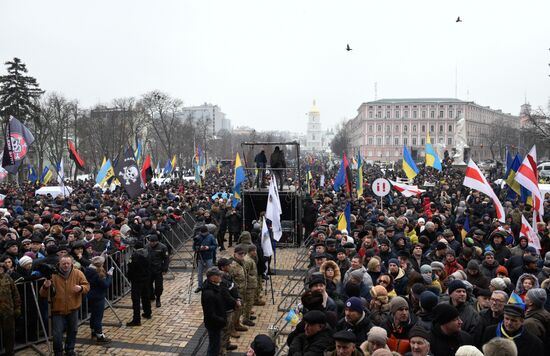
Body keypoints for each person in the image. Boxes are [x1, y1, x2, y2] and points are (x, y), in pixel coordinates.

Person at [39, 255, 90, 356]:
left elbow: (87, 286)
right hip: (57, 309)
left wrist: (80, 288)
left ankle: (70, 349)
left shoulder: (77, 273)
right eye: (64, 264)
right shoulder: (52, 274)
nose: (66, 265)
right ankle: (58, 352)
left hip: (73, 308)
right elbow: (42, 294)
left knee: (73, 330)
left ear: (71, 263)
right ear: (59, 264)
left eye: (68, 263)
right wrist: (45, 286)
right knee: (57, 333)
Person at [201, 267, 235, 356]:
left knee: (215, 344)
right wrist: (222, 320)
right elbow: (210, 314)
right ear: (212, 278)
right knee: (214, 347)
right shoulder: (209, 293)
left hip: (217, 323)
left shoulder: (216, 287)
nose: (220, 277)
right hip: (214, 324)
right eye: (218, 275)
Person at [84, 255, 113, 343]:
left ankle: (93, 331)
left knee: (93, 314)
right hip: (98, 296)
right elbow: (105, 285)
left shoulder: (88, 270)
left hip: (90, 295)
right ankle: (100, 336)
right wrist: (109, 276)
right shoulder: (97, 273)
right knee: (98, 316)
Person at [126, 241, 152, 326]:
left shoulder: (135, 256)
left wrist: (129, 277)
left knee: (136, 299)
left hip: (136, 280)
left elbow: (130, 268)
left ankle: (136, 319)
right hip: (146, 278)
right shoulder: (147, 253)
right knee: (145, 296)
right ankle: (147, 312)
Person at [0, 258, 21, 356]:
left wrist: (17, 308)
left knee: (9, 334)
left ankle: (10, 352)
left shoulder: (8, 278)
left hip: (8, 311)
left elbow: (15, 294)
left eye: (1, 268)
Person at [193, 225, 218, 293]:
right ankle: (200, 286)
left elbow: (215, 246)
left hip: (209, 257)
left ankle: (210, 285)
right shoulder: (198, 237)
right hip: (200, 257)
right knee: (199, 273)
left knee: (210, 272)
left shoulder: (211, 236)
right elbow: (194, 247)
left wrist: (208, 248)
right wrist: (199, 248)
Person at [146, 234, 169, 307]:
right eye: (150, 242)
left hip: (158, 269)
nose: (152, 243)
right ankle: (151, 296)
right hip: (149, 269)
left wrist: (165, 269)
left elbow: (166, 259)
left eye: (153, 242)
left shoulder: (163, 247)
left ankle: (158, 298)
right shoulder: (147, 247)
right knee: (148, 284)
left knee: (158, 286)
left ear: (157, 241)